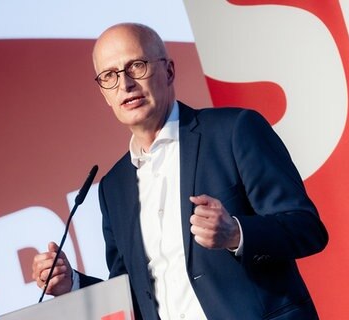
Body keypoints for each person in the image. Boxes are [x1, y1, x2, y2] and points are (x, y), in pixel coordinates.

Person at [32, 22, 328, 319]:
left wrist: (235, 233)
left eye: (136, 66)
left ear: (169, 71)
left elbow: (307, 228)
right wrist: (73, 284)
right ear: (105, 94)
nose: (125, 84)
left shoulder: (234, 131)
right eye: (109, 75)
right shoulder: (113, 188)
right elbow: (131, 294)